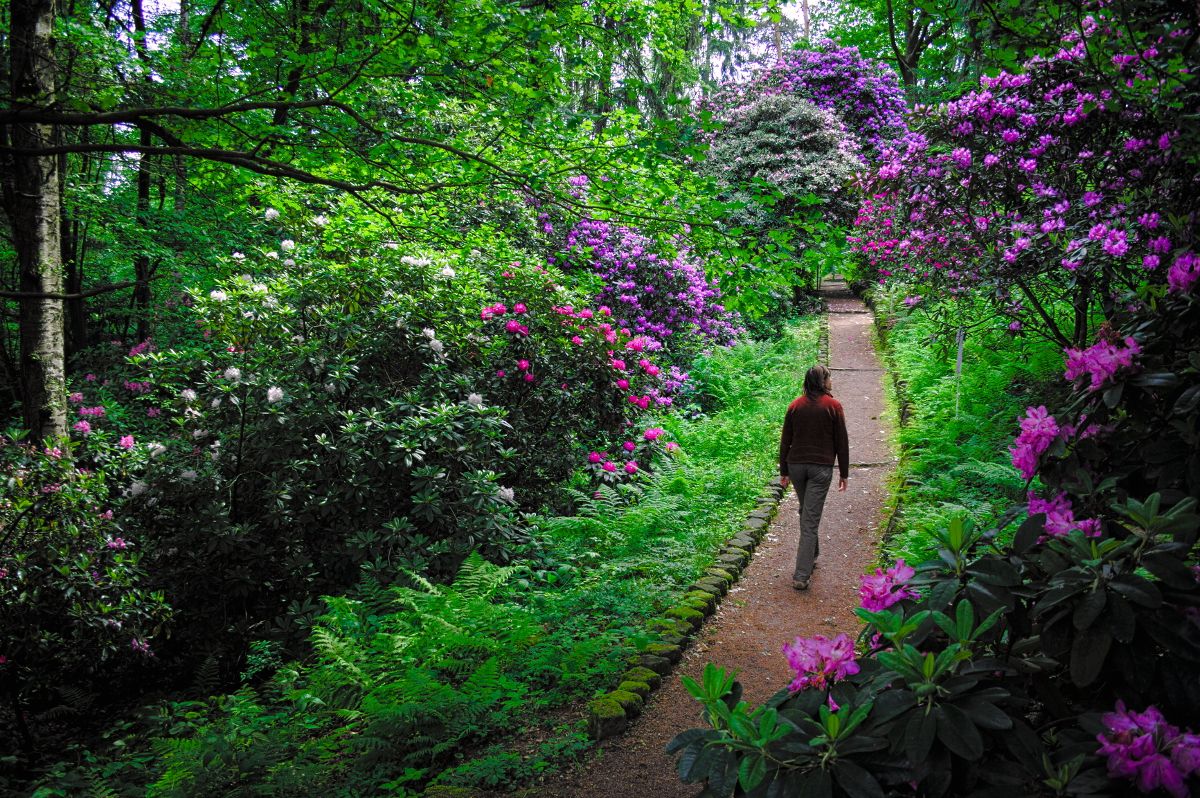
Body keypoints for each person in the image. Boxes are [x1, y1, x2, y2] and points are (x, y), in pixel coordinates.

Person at [778, 364, 849, 590]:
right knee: (809, 520)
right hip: (820, 469)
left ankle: (813, 553)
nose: (831, 381)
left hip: (796, 466)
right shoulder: (833, 406)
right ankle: (801, 575)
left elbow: (785, 440)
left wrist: (784, 470)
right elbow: (842, 442)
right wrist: (844, 472)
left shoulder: (795, 406)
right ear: (822, 381)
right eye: (829, 378)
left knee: (806, 511)